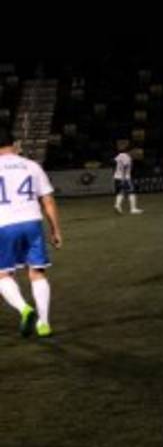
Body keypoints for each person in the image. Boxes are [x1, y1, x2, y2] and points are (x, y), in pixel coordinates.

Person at [0, 125, 62, 338]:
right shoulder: (32, 166)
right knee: (37, 272)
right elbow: (48, 201)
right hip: (32, 222)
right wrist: (55, 230)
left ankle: (24, 309)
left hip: (4, 224)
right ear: (14, 145)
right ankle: (44, 323)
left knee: (2, 274)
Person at [113, 144, 143, 214]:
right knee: (132, 192)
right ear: (131, 150)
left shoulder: (120, 155)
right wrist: (123, 179)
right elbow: (124, 168)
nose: (136, 152)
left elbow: (115, 162)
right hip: (125, 178)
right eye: (134, 151)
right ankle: (133, 209)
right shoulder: (128, 158)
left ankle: (117, 205)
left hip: (117, 177)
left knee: (121, 192)